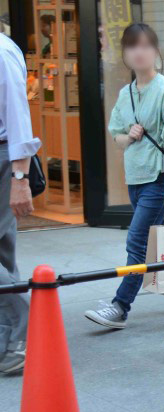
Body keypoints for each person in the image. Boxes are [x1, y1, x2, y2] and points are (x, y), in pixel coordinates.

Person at [85, 23, 164, 330]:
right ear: (125, 53)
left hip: (159, 179)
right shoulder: (126, 93)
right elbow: (117, 136)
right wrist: (130, 136)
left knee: (136, 243)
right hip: (135, 178)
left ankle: (120, 307)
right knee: (151, 242)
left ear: (156, 51)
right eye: (133, 46)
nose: (139, 52)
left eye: (146, 45)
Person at [0, 32, 40, 374]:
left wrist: (19, 178)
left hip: (3, 158)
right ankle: (11, 344)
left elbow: (18, 117)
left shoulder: (1, 52)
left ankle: (28, 332)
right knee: (3, 252)